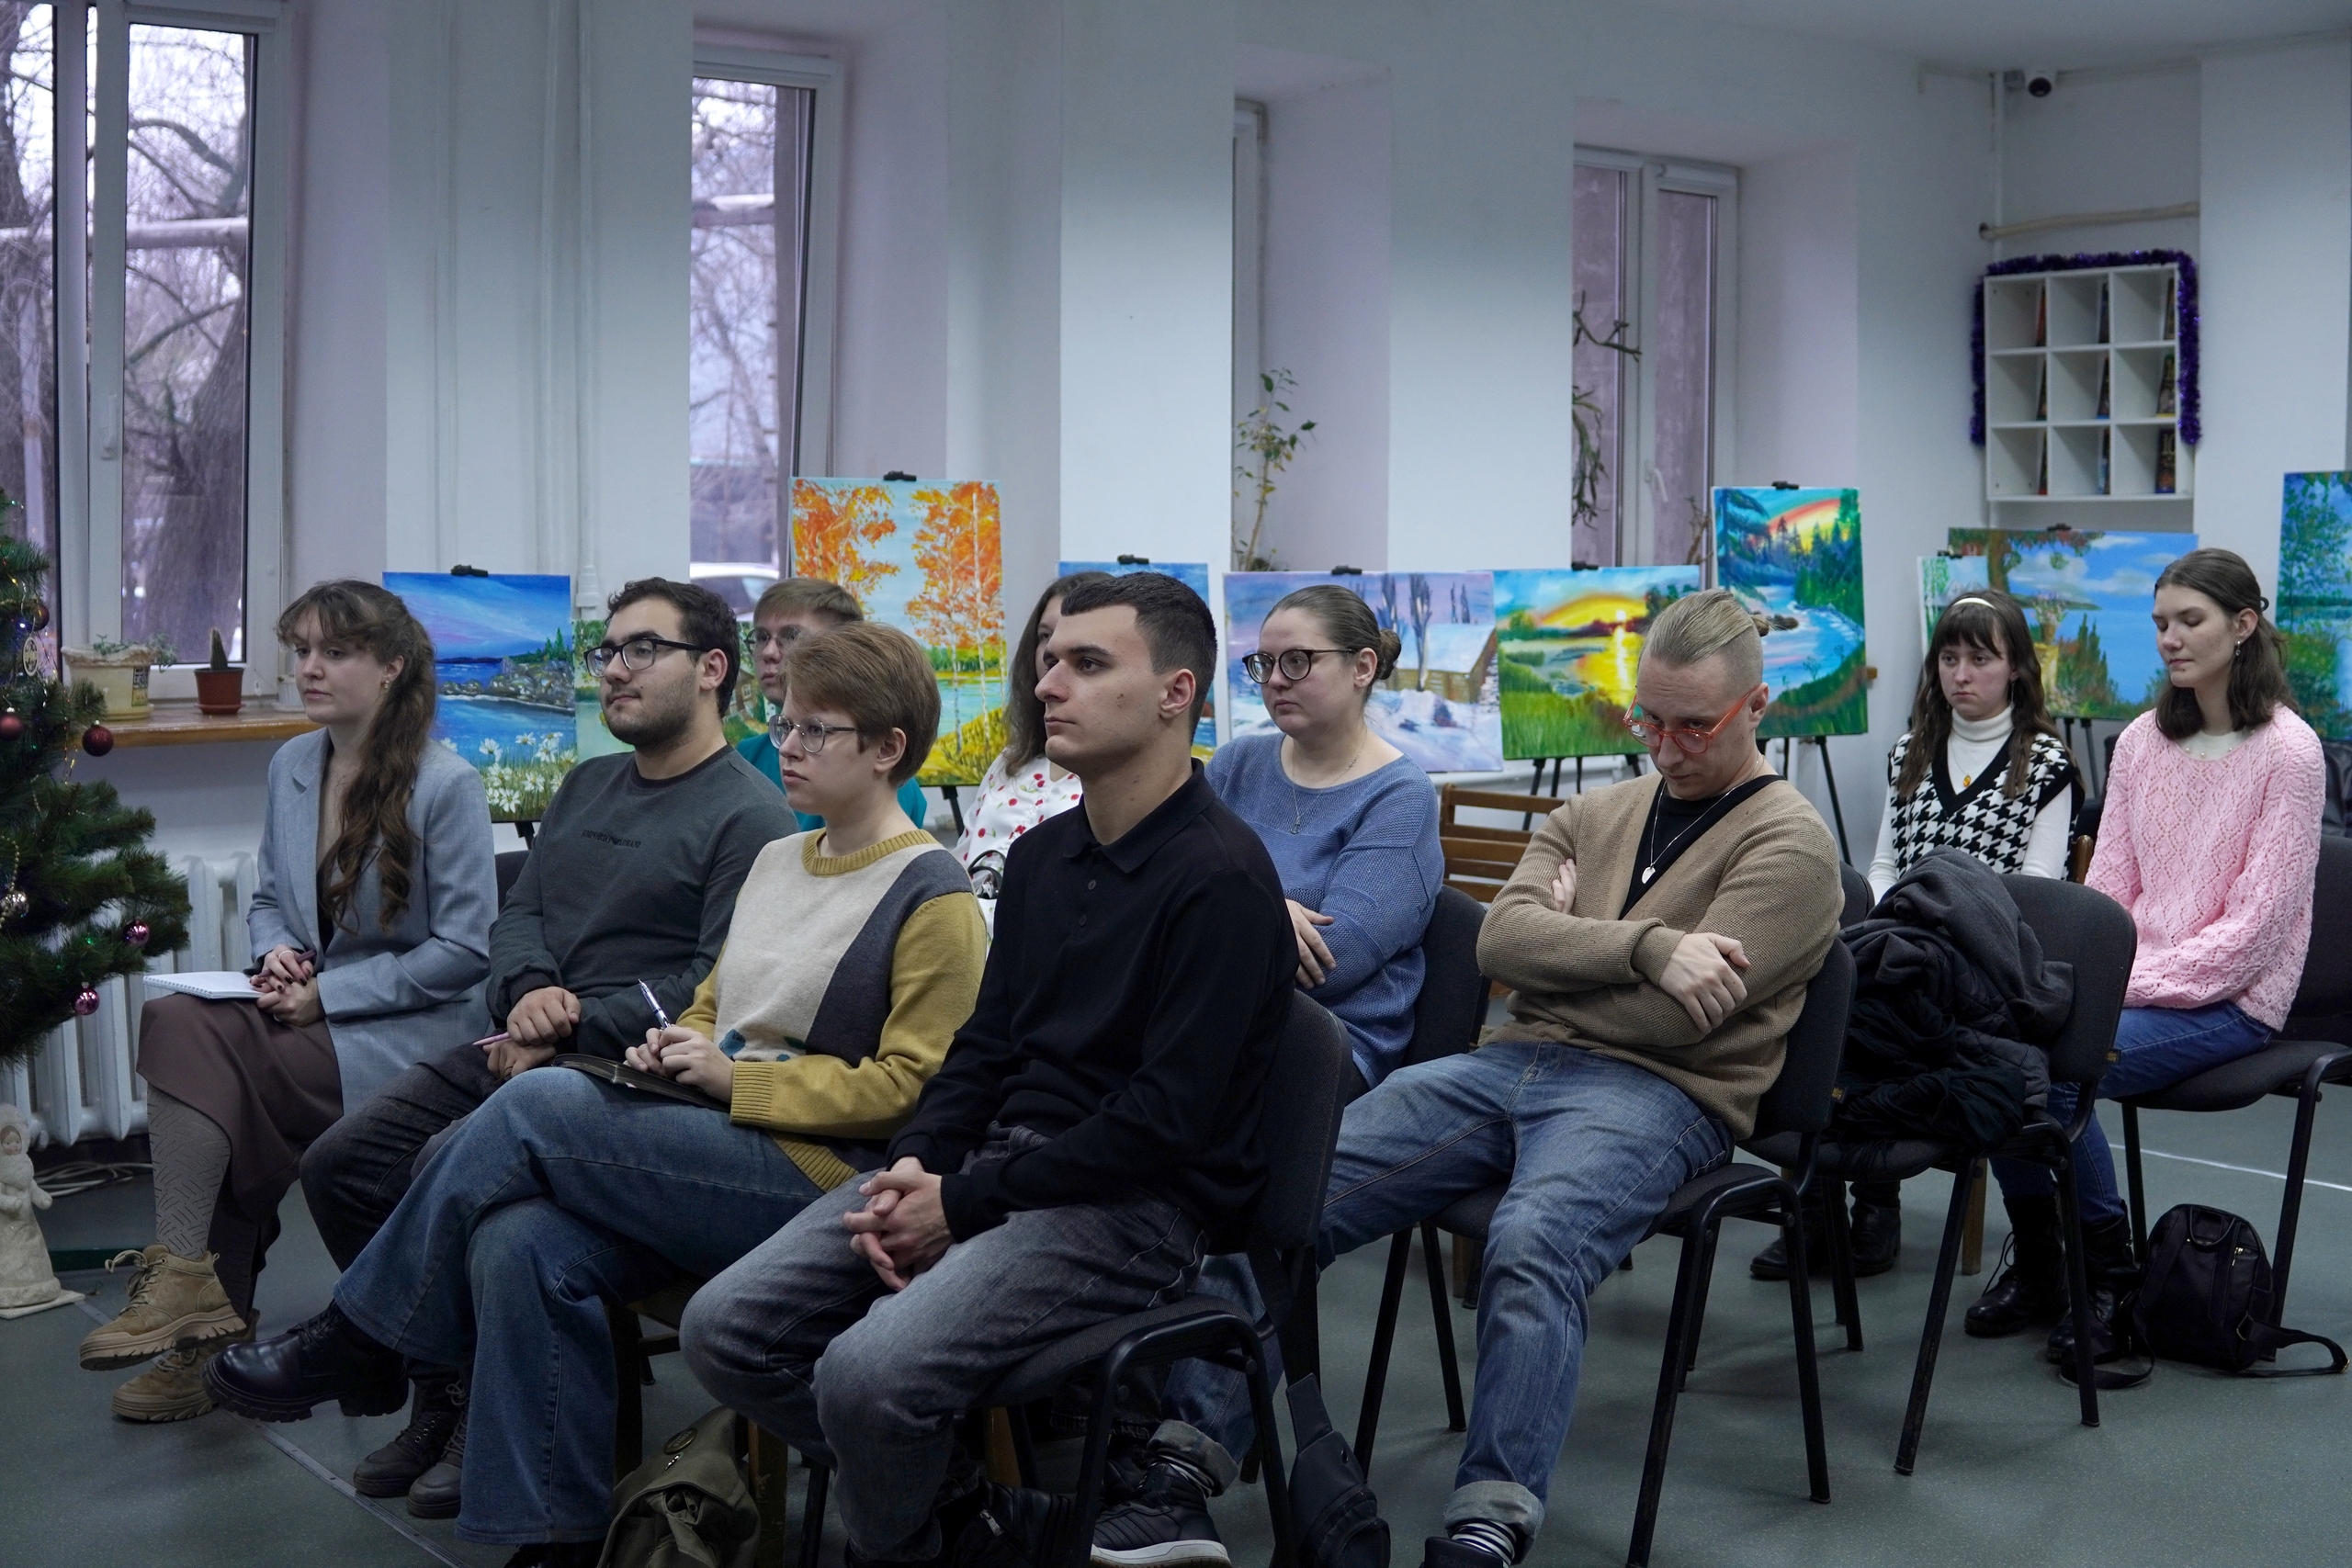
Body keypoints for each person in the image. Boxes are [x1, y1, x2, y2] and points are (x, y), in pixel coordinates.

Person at [205, 623, 986, 1568]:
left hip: (824, 1178)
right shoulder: (782, 859)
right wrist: (681, 1042)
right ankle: (554, 1537)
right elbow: (717, 1000)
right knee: (521, 1238)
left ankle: (361, 1331)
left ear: (889, 748)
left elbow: (914, 1090)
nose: (786, 745)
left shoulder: (933, 894)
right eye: (783, 723)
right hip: (714, 1134)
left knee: (543, 1105)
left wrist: (738, 1076)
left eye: (815, 730)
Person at [1095, 589, 1841, 1568]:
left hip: (1663, 1092)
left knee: (1532, 1242)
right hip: (1508, 1063)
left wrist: (1568, 950)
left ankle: (1488, 1528)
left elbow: (1672, 1023)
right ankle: (1181, 1471)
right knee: (1279, 1194)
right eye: (1648, 720)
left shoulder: (1791, 845)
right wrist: (1651, 950)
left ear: (1758, 707)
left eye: (1693, 725)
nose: (1665, 747)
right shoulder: (1594, 810)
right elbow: (1500, 938)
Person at [677, 571, 1295, 1568]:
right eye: (1051, 661)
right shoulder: (1045, 856)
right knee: (723, 1328)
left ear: (1175, 694)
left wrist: (959, 1203)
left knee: (865, 1376)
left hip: (1135, 1206)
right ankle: (977, 1521)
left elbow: (1161, 1125)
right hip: (996, 1164)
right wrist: (919, 1161)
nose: (1048, 684)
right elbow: (984, 1047)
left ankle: (929, 1537)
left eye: (1088, 664)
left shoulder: (1221, 879)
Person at [291, 577, 792, 1517]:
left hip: (628, 1068)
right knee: (343, 1165)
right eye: (608, 651)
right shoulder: (586, 784)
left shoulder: (750, 816)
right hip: (525, 1036)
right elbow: (520, 914)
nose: (614, 671)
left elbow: (711, 984)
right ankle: (446, 1388)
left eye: (643, 649)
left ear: (712, 670)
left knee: (451, 1165)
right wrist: (527, 994)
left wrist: (567, 1024)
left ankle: (431, 1379)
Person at [74, 581, 495, 1424]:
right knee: (177, 1020)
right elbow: (268, 898)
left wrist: (326, 994)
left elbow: (466, 951)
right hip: (309, 1010)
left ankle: (203, 1315)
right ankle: (193, 1289)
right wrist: (275, 950)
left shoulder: (448, 784)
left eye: (335, 652)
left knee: (222, 1082)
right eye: (301, 650)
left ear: (391, 666)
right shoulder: (293, 764)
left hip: (410, 1031)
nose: (309, 668)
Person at [1973, 548, 2324, 1360]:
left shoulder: (2290, 752)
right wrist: (2098, 983)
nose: (2170, 638)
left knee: (2057, 1071)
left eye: (2190, 620)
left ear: (2243, 625)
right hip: (2132, 986)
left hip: (2233, 1001)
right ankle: (2043, 1263)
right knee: (1993, 1057)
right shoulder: (2140, 741)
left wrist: (2116, 992)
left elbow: (2253, 934)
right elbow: (2107, 900)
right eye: (2161, 622)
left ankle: (2109, 1277)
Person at [1753, 589, 2077, 1282]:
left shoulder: (2045, 763)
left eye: (1981, 659)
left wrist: (1934, 932)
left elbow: (2036, 887)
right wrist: (1882, 926)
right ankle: (1821, 1207)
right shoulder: (1912, 751)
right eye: (1949, 658)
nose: (1961, 674)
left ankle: (1872, 1207)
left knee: (1875, 1015)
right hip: (1902, 944)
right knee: (1825, 998)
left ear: (2017, 667)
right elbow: (1883, 864)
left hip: (1987, 958)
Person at [1218, 583, 1441, 1089]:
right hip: (1215, 1018)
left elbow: (1329, 963)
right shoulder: (1236, 764)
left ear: (1362, 668)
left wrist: (1235, 912)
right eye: (1265, 663)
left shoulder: (1400, 798)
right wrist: (1268, 910)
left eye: (1298, 661)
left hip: (1323, 1046)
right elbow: (1162, 885)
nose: (1276, 680)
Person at [954, 572, 1103, 913]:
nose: (1051, 653)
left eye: (1075, 645)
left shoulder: (1114, 770)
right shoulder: (1013, 759)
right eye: (1045, 636)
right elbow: (961, 862)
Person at [739, 576, 929, 832]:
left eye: (791, 636)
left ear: (842, 648)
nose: (769, 652)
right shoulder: (747, 756)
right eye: (762, 637)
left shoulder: (880, 778)